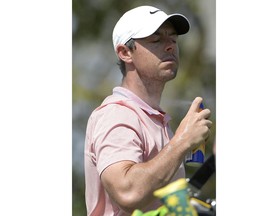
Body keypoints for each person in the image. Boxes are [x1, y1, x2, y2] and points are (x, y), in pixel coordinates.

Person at [84, 5, 212, 216]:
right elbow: (129, 193)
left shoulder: (154, 118)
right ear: (125, 52)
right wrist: (183, 140)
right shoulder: (117, 114)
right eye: (156, 40)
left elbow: (164, 201)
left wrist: (213, 162)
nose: (170, 46)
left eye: (173, 39)